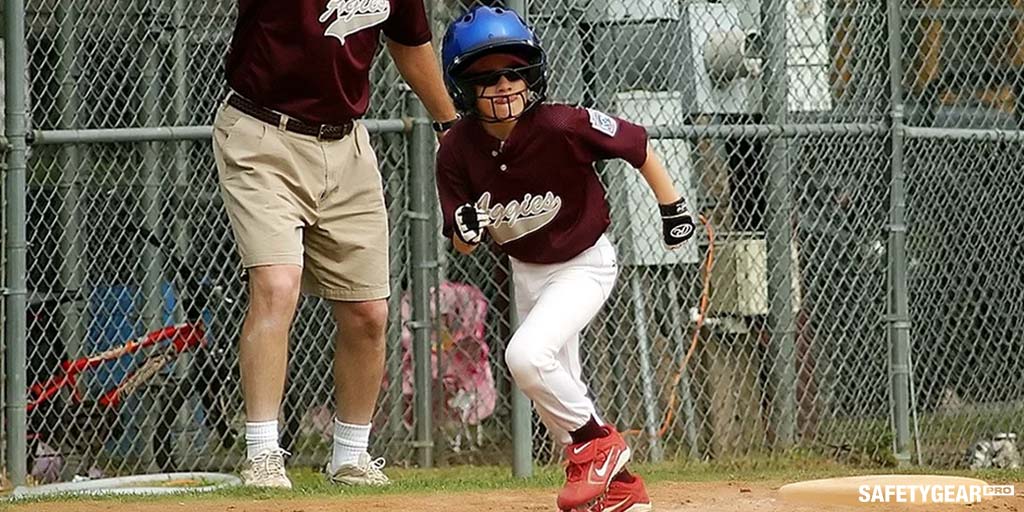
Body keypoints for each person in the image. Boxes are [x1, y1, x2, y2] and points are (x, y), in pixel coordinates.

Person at [435, 6, 695, 512]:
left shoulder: (559, 123)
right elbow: (461, 239)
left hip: (585, 263)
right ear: (463, 89)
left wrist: (673, 207)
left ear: (533, 75)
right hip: (526, 272)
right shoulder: (456, 151)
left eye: (515, 71)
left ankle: (602, 445)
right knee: (559, 397)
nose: (504, 84)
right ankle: (621, 491)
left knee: (525, 358)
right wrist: (465, 230)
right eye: (486, 77)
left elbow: (636, 144)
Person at [212, 0, 459, 489]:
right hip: (263, 135)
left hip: (346, 145)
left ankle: (351, 455)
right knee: (277, 285)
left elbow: (408, 43)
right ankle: (262, 454)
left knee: (369, 312)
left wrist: (449, 125)